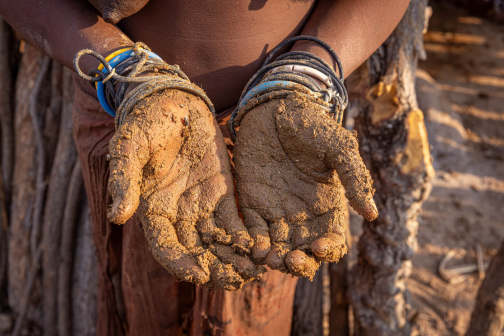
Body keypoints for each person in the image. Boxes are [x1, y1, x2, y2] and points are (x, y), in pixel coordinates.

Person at [0, 0, 409, 335]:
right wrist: (125, 71)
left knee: (257, 296)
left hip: (280, 136)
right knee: (140, 297)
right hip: (132, 111)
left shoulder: (285, 138)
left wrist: (304, 74)